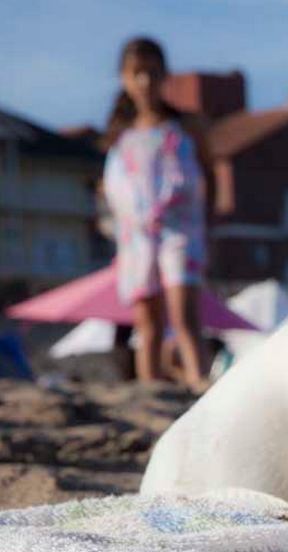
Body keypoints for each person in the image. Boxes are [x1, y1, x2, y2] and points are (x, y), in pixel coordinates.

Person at [102, 37, 210, 392]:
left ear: (164, 75)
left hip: (180, 230)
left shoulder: (186, 128)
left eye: (152, 72)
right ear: (124, 78)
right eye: (137, 74)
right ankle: (149, 390)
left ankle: (199, 382)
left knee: (184, 315)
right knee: (145, 322)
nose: (145, 82)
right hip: (135, 236)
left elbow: (205, 176)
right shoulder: (120, 136)